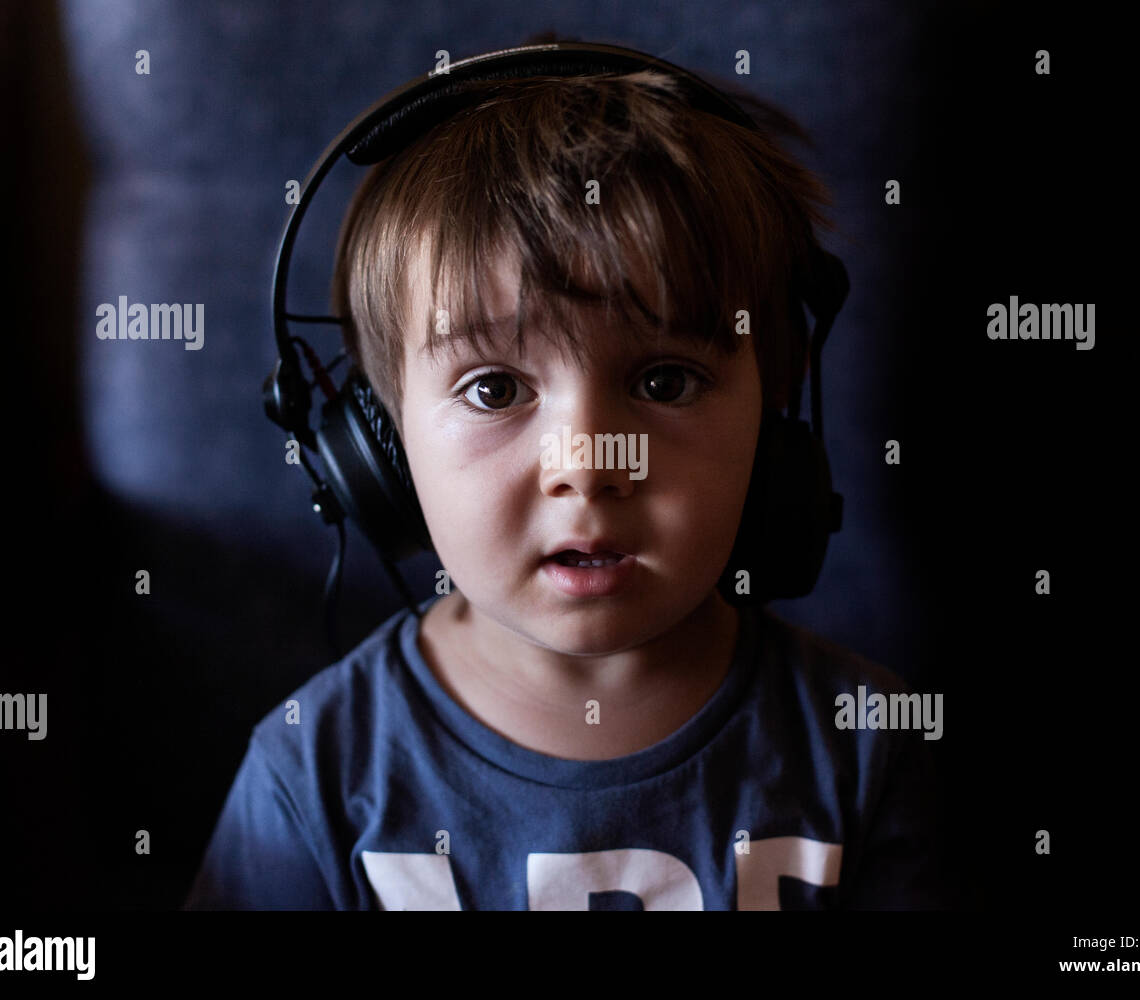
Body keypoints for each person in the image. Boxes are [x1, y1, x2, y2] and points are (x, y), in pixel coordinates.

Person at [184, 56, 947, 910]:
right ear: (379, 442)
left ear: (776, 403)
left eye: (665, 382)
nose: (587, 464)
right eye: (496, 390)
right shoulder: (314, 774)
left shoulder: (872, 743)